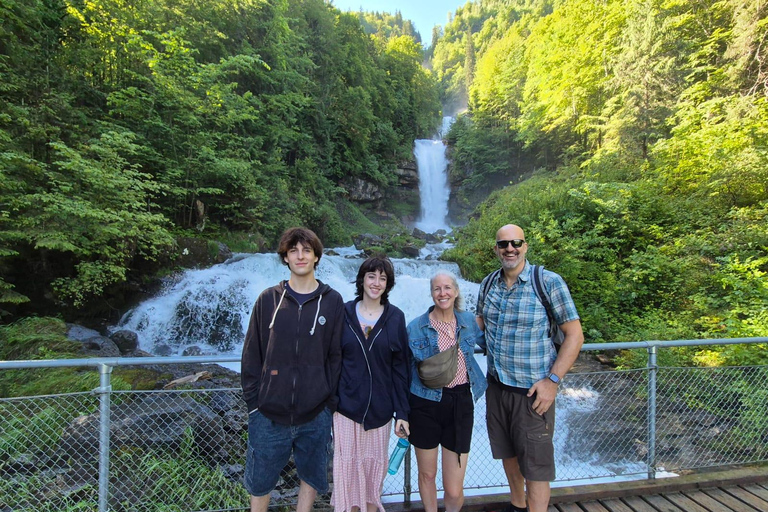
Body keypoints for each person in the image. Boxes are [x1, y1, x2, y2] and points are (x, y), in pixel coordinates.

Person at [476, 224, 584, 512]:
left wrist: (553, 381)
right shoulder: (488, 284)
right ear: (496, 249)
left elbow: (574, 335)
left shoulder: (548, 282)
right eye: (503, 244)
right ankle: (517, 505)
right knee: (508, 455)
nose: (509, 248)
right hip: (497, 388)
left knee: (536, 465)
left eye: (515, 243)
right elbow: (479, 326)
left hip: (534, 392)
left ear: (525, 246)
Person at [241, 227, 344, 512]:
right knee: (260, 483)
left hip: (316, 413)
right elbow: (251, 355)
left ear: (316, 257)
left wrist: (328, 404)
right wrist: (254, 404)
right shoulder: (267, 300)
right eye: (293, 251)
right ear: (285, 258)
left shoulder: (333, 301)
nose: (300, 256)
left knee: (311, 478)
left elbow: (336, 356)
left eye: (307, 250)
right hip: (268, 413)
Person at [332, 256, 411, 512]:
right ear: (362, 279)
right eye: (371, 276)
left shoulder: (396, 317)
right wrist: (331, 401)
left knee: (371, 474)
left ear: (388, 284)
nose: (376, 283)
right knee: (346, 470)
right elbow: (331, 359)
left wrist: (402, 412)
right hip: (345, 409)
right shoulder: (342, 313)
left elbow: (400, 368)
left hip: (380, 411)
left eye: (383, 278)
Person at [406, 271, 488, 512]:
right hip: (424, 404)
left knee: (453, 489)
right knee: (428, 475)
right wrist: (400, 412)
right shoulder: (416, 328)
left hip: (460, 403)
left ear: (456, 291)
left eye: (447, 288)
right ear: (431, 293)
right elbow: (404, 371)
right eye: (437, 289)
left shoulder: (469, 322)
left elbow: (493, 343)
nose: (442, 293)